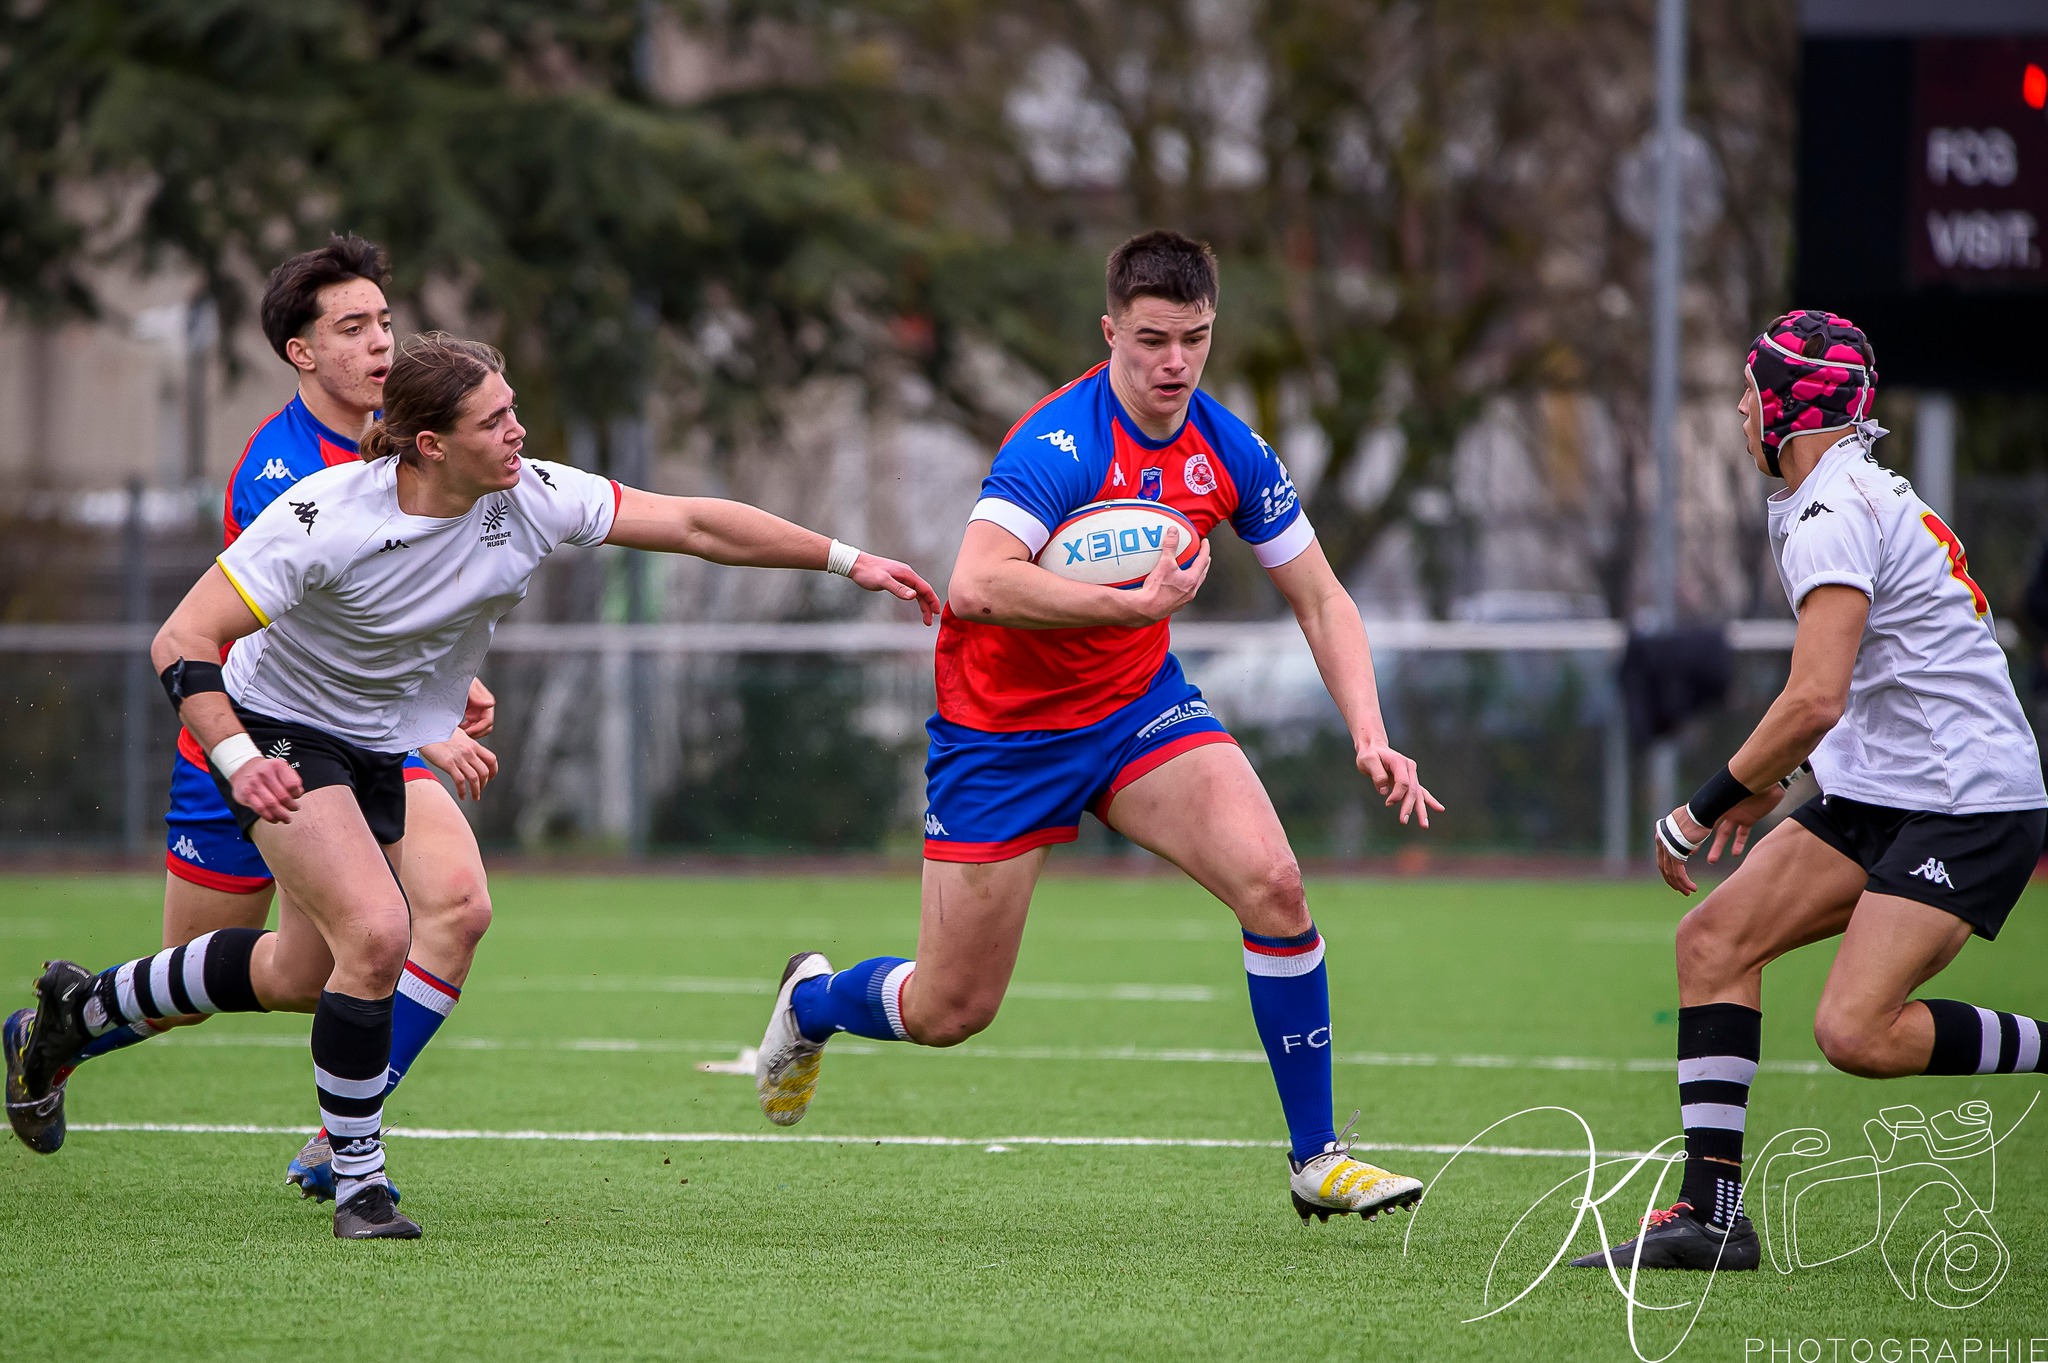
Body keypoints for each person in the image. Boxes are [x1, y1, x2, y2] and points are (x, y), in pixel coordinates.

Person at [4, 332, 939, 1238]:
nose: (519, 434)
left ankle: (74, 1016)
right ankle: (356, 1178)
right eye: (496, 421)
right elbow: (181, 639)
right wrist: (243, 761)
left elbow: (691, 521)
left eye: (515, 411)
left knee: (303, 970)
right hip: (280, 732)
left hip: (377, 744)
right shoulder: (329, 514)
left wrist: (849, 561)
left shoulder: (528, 495)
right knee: (377, 933)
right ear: (429, 444)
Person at [750, 230, 1441, 1225]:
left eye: (1193, 340)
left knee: (1275, 883)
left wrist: (1367, 731)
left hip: (1135, 708)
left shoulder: (1228, 448)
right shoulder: (1057, 443)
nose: (1173, 363)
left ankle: (1315, 1156)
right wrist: (1129, 606)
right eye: (1151, 339)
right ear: (1109, 329)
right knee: (951, 1009)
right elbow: (975, 584)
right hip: (1002, 734)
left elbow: (1322, 598)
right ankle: (813, 1002)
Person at [1, 236, 500, 1204]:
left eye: (385, 323)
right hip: (254, 741)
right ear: (300, 353)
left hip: (370, 735)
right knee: (285, 974)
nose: (380, 345)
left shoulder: (420, 437)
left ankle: (340, 1135)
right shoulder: (283, 476)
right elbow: (275, 642)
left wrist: (440, 688)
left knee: (449, 908)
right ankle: (66, 1021)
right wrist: (425, 717)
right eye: (351, 328)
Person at [1571, 311, 2048, 1273]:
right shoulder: (1833, 496)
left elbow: (1817, 694)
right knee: (1712, 940)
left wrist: (1698, 805)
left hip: (1968, 801)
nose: (1740, 409)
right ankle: (1713, 1217)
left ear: (1786, 408)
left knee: (1855, 1031)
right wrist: (1780, 778)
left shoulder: (1834, 510)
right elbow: (1865, 684)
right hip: (1886, 785)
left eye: (1750, 392)